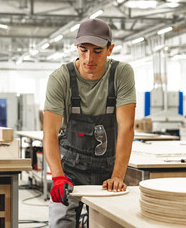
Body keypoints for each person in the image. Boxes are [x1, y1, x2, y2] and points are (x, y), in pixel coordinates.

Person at [43, 18, 136, 227]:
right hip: (70, 169)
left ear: (109, 49)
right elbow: (49, 133)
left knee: (112, 223)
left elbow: (127, 127)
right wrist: (58, 177)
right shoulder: (61, 78)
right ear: (76, 47)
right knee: (60, 223)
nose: (88, 58)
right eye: (83, 50)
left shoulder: (121, 74)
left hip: (109, 169)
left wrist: (118, 176)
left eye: (97, 51)